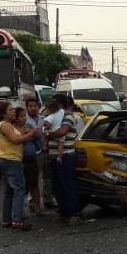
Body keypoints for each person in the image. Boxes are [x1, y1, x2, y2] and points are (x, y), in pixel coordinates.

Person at [0, 102, 41, 230]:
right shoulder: (5, 125)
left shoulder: (9, 125)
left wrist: (26, 132)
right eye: (10, 110)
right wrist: (31, 134)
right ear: (4, 113)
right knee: (19, 189)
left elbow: (18, 136)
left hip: (8, 159)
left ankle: (7, 219)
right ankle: (17, 219)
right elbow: (15, 140)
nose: (13, 112)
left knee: (10, 190)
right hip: (11, 160)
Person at [47, 94, 84, 225]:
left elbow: (62, 132)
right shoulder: (53, 117)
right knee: (58, 186)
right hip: (54, 155)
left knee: (68, 185)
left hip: (66, 155)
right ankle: (64, 212)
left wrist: (46, 133)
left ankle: (74, 213)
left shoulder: (68, 117)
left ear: (61, 105)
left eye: (54, 103)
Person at [24, 98, 46, 214]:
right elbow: (32, 135)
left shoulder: (44, 118)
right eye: (30, 106)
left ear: (39, 107)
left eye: (35, 106)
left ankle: (43, 200)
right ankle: (32, 201)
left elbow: (43, 133)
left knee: (42, 177)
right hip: (31, 153)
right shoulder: (24, 120)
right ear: (26, 107)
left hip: (43, 151)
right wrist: (36, 133)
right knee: (32, 178)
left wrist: (36, 133)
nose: (33, 108)